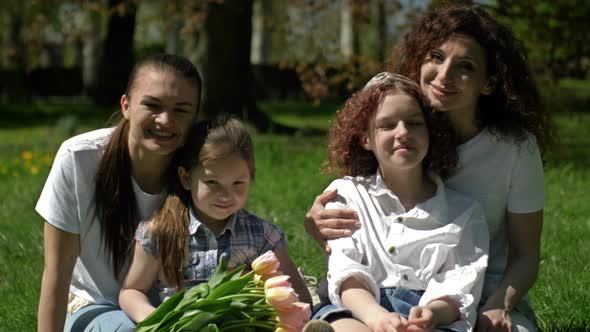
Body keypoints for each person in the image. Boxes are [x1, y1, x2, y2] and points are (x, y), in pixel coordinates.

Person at [305, 5, 552, 332]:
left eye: (465, 66)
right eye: (435, 56)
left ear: (489, 82)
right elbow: (358, 205)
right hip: (373, 294)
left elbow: (525, 255)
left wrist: (497, 306)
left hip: (480, 295)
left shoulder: (514, 150)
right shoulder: (401, 126)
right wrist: (316, 222)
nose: (444, 74)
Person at [36, 54, 202, 332]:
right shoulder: (79, 159)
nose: (165, 120)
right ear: (126, 105)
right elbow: (56, 272)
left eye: (181, 110)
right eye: (152, 105)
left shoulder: (201, 169)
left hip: (171, 309)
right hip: (96, 305)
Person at [310, 73, 488, 332]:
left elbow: (460, 285)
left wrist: (431, 314)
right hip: (360, 309)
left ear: (430, 131)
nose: (403, 132)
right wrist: (375, 317)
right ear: (366, 139)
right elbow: (346, 271)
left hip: (428, 319)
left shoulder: (463, 212)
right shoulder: (347, 194)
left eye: (414, 123)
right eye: (387, 125)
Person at [119, 116, 312, 322]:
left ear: (251, 177)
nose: (226, 195)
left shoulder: (262, 237)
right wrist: (155, 320)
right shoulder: (159, 232)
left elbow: (300, 298)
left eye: (238, 182)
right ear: (186, 178)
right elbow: (132, 291)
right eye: (212, 182)